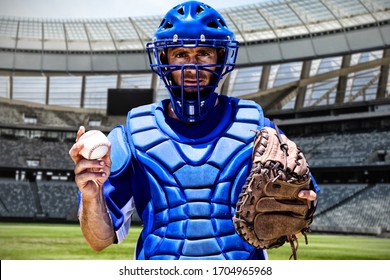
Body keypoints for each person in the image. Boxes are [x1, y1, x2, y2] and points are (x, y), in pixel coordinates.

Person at [69, 0, 319, 260]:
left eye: (203, 53)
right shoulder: (131, 135)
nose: (192, 66)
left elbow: (301, 200)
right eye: (180, 54)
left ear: (220, 58)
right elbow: (99, 239)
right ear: (164, 58)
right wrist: (91, 195)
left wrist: (300, 202)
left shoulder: (258, 128)